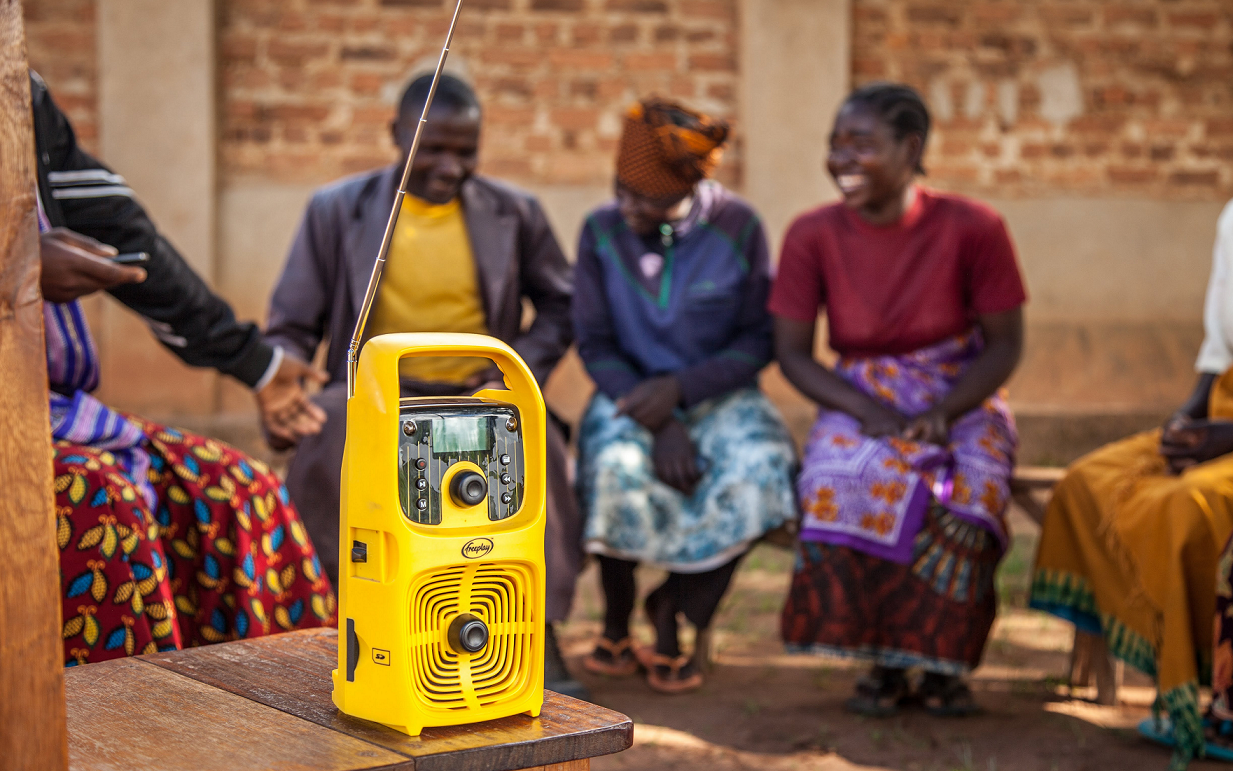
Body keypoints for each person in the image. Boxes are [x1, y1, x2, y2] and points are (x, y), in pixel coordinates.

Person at [265, 73, 584, 696]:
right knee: (327, 440)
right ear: (395, 136)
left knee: (538, 450)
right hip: (374, 396)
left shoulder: (513, 211)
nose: (450, 166)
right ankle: (342, 622)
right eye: (432, 149)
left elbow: (561, 304)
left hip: (473, 388)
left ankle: (536, 628)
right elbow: (291, 323)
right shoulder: (338, 210)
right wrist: (283, 384)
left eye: (466, 151)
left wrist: (514, 371)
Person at [30, 71, 336, 666]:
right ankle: (130, 738)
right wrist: (12, 264)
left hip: (51, 410)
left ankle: (279, 723)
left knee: (241, 494)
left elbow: (122, 236)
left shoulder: (19, 89)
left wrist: (257, 364)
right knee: (102, 508)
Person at [770, 83, 1027, 715]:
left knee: (975, 488)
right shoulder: (811, 234)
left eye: (862, 144)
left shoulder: (976, 227)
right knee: (841, 476)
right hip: (861, 392)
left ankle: (943, 665)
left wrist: (947, 411)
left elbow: (1004, 345)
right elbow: (795, 353)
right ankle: (881, 659)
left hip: (960, 391)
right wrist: (869, 413)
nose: (842, 158)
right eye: (835, 144)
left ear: (911, 148)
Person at [573, 98, 797, 694]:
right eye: (620, 189)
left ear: (691, 186)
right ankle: (617, 621)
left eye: (645, 199)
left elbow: (757, 341)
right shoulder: (600, 232)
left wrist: (683, 390)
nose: (627, 207)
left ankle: (676, 609)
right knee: (615, 469)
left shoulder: (740, 229)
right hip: (630, 394)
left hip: (718, 394)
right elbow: (593, 343)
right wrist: (660, 418)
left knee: (763, 468)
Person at [1034, 199, 1233, 768]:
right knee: (1089, 480)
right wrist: (1187, 420)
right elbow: (1218, 346)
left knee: (1186, 505)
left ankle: (1197, 687)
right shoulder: (1232, 218)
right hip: (1222, 410)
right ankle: (1121, 656)